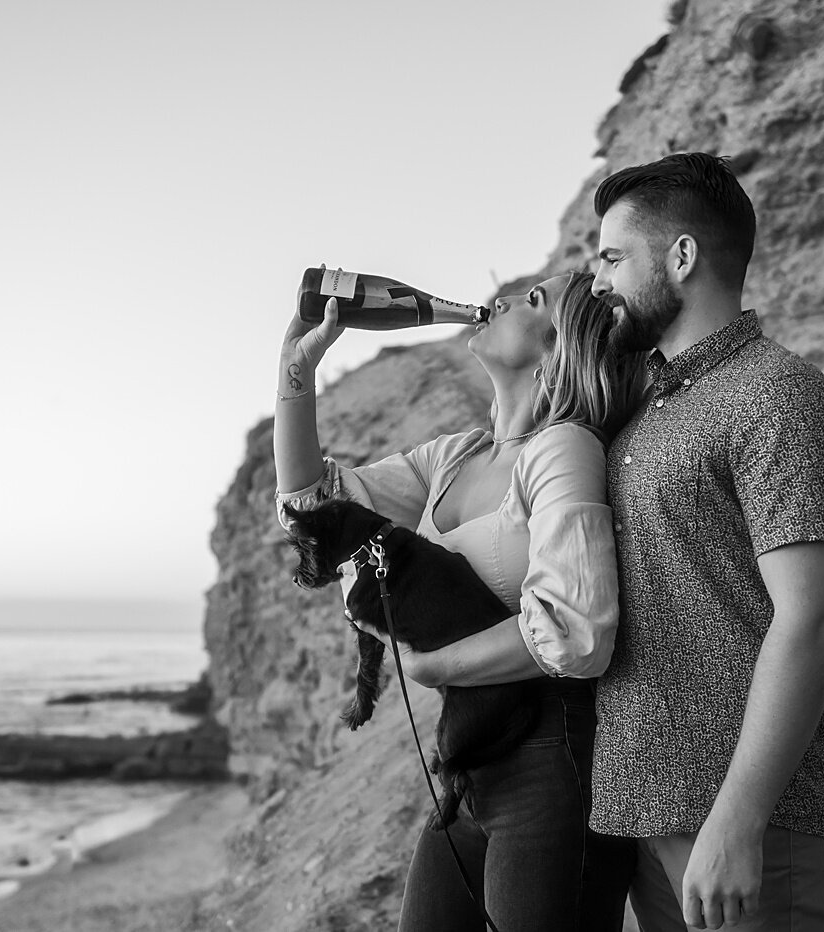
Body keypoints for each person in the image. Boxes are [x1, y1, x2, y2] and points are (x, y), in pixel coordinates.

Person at [273, 270, 645, 932]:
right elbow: (313, 509)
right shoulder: (456, 455)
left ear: (559, 347)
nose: (501, 299)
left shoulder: (561, 449)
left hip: (554, 772)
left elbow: (578, 631)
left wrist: (433, 667)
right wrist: (295, 371)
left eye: (533, 300)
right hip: (474, 772)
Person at [586, 151, 824, 931]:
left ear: (682, 256)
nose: (598, 280)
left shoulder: (779, 395)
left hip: (748, 820)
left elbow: (812, 619)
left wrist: (738, 818)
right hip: (646, 805)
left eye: (612, 257)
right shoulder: (647, 408)